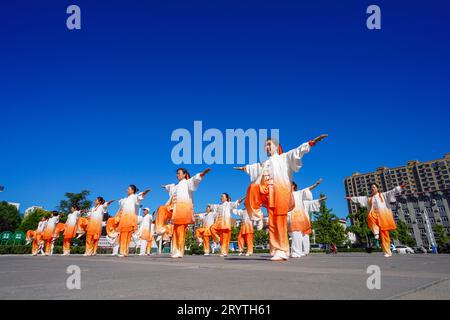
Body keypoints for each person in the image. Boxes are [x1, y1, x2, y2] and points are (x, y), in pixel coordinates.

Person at [234, 134, 328, 261]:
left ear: (276, 146)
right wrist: (243, 168)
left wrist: (311, 143)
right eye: (265, 146)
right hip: (269, 193)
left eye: (269, 144)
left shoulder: (284, 157)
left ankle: (282, 250)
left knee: (279, 222)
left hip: (280, 192)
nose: (266, 147)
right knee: (254, 189)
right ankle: (270, 239)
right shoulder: (265, 163)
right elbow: (255, 167)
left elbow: (297, 151)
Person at [158, 168, 211, 258]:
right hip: (174, 209)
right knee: (162, 209)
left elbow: (195, 179)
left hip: (183, 209)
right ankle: (160, 228)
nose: (177, 175)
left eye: (179, 173)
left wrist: (202, 174)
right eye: (176, 173)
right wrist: (164, 186)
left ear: (184, 174)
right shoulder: (175, 186)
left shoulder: (187, 182)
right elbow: (169, 187)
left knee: (179, 231)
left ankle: (178, 251)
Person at [347, 184, 404, 258]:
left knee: (385, 235)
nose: (372, 188)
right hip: (374, 214)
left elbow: (392, 192)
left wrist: (400, 187)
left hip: (383, 215)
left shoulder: (383, 195)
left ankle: (387, 252)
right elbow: (360, 198)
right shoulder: (369, 198)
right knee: (370, 217)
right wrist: (351, 198)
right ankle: (376, 233)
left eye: (374, 187)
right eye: (371, 188)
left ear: (377, 188)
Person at [288, 180, 324, 258]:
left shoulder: (299, 193)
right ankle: (298, 251)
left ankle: (297, 252)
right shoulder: (286, 195)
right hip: (290, 216)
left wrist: (316, 184)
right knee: (295, 235)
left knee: (297, 233)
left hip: (298, 216)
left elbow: (308, 189)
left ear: (293, 186)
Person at [117, 185, 150, 257]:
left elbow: (139, 197)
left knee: (126, 235)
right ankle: (123, 251)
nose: (126, 190)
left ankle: (123, 252)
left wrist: (144, 193)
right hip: (123, 219)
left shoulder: (134, 197)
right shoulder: (125, 199)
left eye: (128, 189)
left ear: (132, 190)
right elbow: (120, 203)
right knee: (123, 234)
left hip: (129, 218)